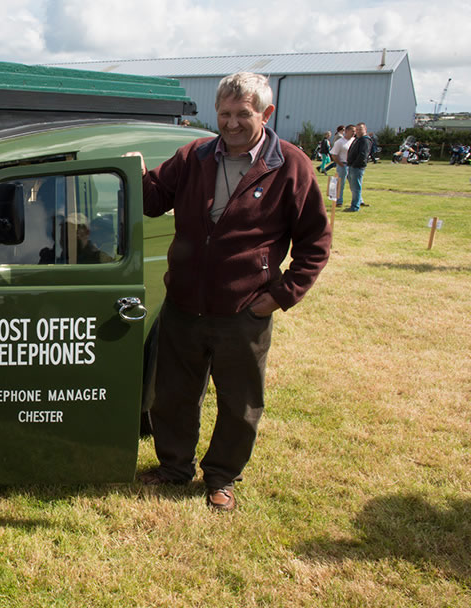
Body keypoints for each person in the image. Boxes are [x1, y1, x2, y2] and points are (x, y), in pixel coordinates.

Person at [131, 72, 332, 511]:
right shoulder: (194, 155)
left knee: (239, 403)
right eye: (225, 113)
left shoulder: (290, 164)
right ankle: (173, 467)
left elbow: (316, 241)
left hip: (244, 309)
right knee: (173, 395)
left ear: (266, 113)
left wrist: (280, 295)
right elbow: (153, 199)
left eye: (244, 114)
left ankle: (221, 478)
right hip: (183, 303)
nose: (232, 123)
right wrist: (137, 172)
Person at [345, 122, 370, 212]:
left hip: (357, 167)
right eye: (357, 130)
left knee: (356, 188)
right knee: (353, 187)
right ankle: (357, 203)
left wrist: (355, 164)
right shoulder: (357, 139)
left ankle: (355, 207)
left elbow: (363, 155)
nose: (358, 131)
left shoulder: (365, 140)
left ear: (365, 130)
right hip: (351, 166)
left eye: (360, 129)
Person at [330, 125, 355, 207]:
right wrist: (340, 164)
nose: (354, 133)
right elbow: (334, 154)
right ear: (347, 131)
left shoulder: (354, 141)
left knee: (354, 183)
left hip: (352, 165)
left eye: (355, 131)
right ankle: (338, 200)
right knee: (341, 183)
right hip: (342, 164)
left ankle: (358, 200)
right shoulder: (340, 142)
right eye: (352, 131)